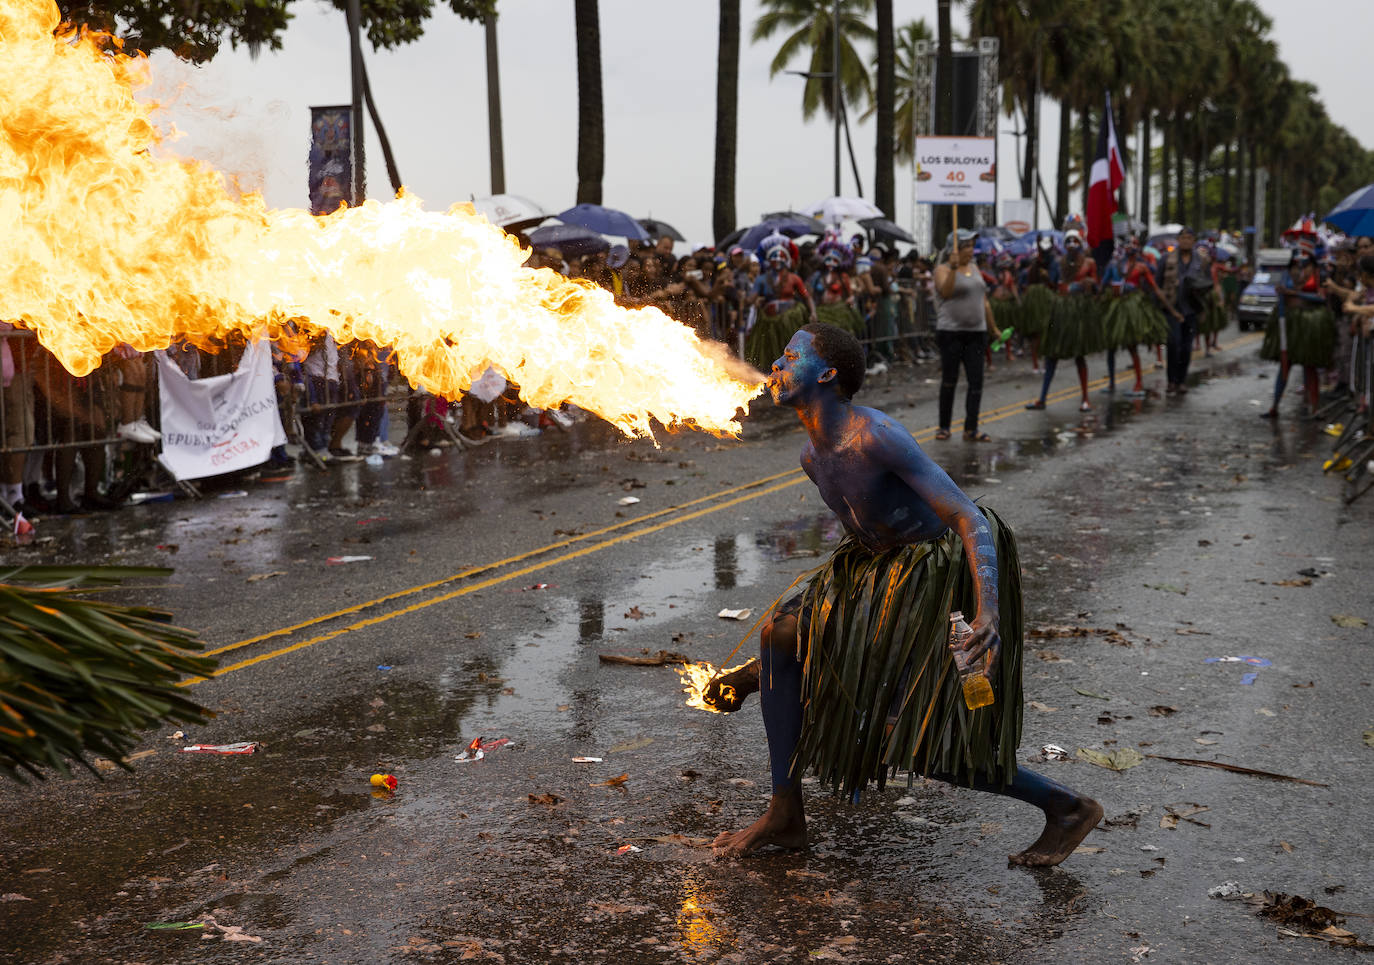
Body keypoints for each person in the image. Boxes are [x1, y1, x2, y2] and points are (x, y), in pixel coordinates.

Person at [708, 322, 1102, 866]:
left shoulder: (877, 437)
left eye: (790, 357)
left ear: (826, 375)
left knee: (917, 742)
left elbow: (966, 515)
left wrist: (987, 612)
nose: (775, 365)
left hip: (938, 583)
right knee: (780, 634)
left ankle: (1065, 806)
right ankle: (784, 810)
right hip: (877, 573)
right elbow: (866, 532)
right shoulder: (812, 456)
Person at [932, 229, 998, 441]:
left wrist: (993, 328)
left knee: (976, 382)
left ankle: (971, 428)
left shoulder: (975, 268)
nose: (970, 250)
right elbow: (945, 292)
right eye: (966, 246)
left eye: (971, 246)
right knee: (949, 380)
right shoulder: (942, 269)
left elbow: (984, 302)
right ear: (955, 249)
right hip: (951, 333)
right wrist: (953, 269)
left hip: (976, 334)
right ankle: (944, 426)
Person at [1027, 229, 1097, 412]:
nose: (1072, 244)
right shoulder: (1060, 262)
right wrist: (1046, 278)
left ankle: (1085, 399)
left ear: (1080, 243)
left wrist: (1088, 284)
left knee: (1079, 355)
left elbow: (1096, 286)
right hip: (1060, 310)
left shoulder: (1089, 263)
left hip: (1077, 312)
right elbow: (1053, 284)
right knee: (1051, 354)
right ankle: (1042, 399)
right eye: (1069, 241)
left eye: (1075, 241)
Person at [1263, 239, 1334, 417]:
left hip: (1310, 322)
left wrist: (1296, 293)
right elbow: (1282, 296)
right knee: (1285, 365)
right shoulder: (1289, 272)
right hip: (1290, 321)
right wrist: (1281, 313)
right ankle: (1274, 407)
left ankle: (1315, 408)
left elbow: (1321, 298)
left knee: (1309, 366)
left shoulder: (1319, 272)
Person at [1099, 242, 1176, 396]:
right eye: (1127, 246)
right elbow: (1103, 284)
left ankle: (1139, 383)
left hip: (1132, 308)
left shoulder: (1142, 266)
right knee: (1111, 347)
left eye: (1132, 246)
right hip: (1116, 307)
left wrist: (1171, 310)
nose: (1129, 249)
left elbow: (1154, 286)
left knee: (1132, 346)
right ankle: (1112, 383)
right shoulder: (1114, 265)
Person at [743, 239, 816, 371]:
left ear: (786, 260)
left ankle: (796, 372)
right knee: (770, 351)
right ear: (769, 261)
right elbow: (751, 299)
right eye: (774, 257)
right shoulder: (762, 279)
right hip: (769, 323)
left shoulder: (794, 278)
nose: (777, 260)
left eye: (781, 257)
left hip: (790, 321)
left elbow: (806, 297)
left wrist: (813, 312)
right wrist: (744, 299)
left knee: (792, 348)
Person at [1156, 226, 1211, 396]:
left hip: (1191, 309)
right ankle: (1171, 380)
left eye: (1189, 238)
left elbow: (1208, 282)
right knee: (1173, 344)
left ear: (1193, 241)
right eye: (1183, 238)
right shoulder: (1167, 258)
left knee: (1187, 348)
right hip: (1172, 308)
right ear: (1178, 240)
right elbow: (1157, 283)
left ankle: (1181, 381)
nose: (1186, 241)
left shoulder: (1202, 260)